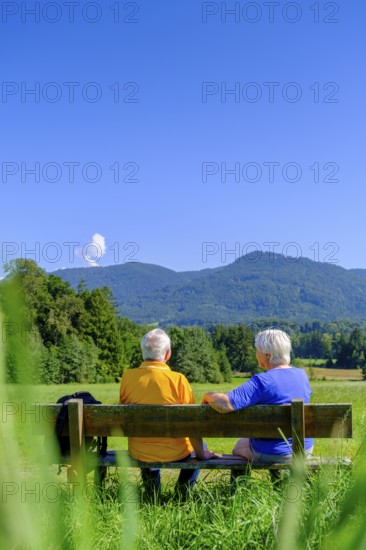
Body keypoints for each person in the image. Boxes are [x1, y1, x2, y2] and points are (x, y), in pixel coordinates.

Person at [119, 328, 216, 498]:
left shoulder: (128, 377)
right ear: (168, 354)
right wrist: (201, 453)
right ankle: (182, 495)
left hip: (139, 450)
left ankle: (152, 494)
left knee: (148, 442)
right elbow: (191, 423)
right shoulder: (178, 380)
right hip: (176, 452)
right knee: (202, 447)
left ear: (143, 352)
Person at [202, 329, 314, 463]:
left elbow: (225, 404)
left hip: (271, 453)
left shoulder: (262, 381)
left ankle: (239, 483)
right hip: (304, 450)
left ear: (267, 355)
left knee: (239, 447)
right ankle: (279, 484)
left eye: (257, 351)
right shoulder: (302, 375)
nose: (256, 355)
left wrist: (208, 396)